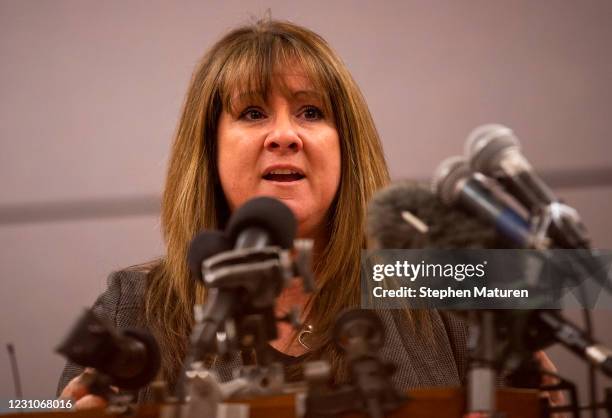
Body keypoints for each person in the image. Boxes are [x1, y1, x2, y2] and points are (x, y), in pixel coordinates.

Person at [57, 18, 555, 409]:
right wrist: (58, 410)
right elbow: (23, 404)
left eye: (311, 112)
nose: (284, 135)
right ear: (208, 150)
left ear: (346, 148)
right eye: (252, 113)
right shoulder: (133, 305)